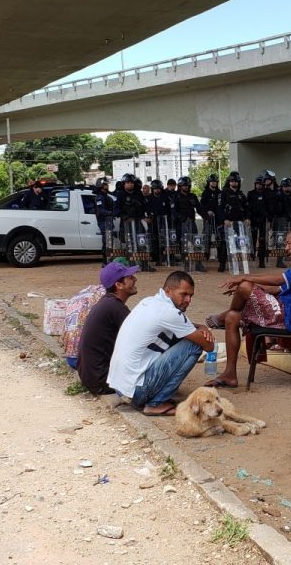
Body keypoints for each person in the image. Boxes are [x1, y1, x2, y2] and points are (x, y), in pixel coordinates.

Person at [204, 227, 291, 388]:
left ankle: (220, 317)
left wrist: (245, 279)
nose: (286, 249)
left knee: (244, 287)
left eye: (289, 243)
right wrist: (249, 290)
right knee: (232, 317)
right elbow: (275, 290)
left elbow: (278, 280)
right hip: (285, 313)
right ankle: (230, 375)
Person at [108, 271, 215, 416]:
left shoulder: (149, 301)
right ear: (168, 291)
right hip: (136, 391)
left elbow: (183, 326)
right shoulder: (169, 313)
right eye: (183, 294)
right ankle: (156, 403)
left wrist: (200, 327)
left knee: (183, 337)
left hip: (122, 388)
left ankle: (154, 396)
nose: (188, 300)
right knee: (193, 345)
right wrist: (202, 330)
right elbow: (209, 346)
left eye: (191, 295)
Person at [77, 261, 139, 396]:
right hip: (102, 381)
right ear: (119, 285)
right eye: (130, 277)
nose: (134, 279)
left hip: (92, 377)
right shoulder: (115, 307)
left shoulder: (108, 303)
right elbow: (141, 333)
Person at [216, 171, 250, 272]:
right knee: (224, 243)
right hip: (227, 223)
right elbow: (219, 208)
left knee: (238, 243)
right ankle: (222, 264)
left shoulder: (241, 194)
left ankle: (237, 263)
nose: (235, 183)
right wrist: (224, 219)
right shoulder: (223, 193)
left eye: (236, 181)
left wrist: (247, 218)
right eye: (232, 181)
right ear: (229, 182)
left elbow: (247, 208)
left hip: (239, 223)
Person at [174, 176, 207, 272]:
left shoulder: (193, 196)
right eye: (184, 186)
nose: (186, 187)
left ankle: (198, 264)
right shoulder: (176, 197)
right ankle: (186, 264)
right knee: (183, 244)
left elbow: (199, 208)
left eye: (187, 185)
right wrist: (180, 218)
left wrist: (205, 216)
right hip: (181, 224)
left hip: (192, 222)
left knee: (196, 243)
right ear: (180, 186)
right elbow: (173, 211)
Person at [273, 177, 291, 268]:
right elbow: (276, 209)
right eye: (285, 186)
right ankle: (279, 260)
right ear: (282, 187)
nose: (287, 188)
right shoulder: (278, 195)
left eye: (289, 186)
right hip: (281, 219)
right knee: (281, 239)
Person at [247, 174, 269, 268]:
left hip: (263, 220)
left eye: (261, 184)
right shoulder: (251, 194)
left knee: (262, 240)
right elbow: (247, 207)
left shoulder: (266, 194)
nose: (259, 185)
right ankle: (252, 256)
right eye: (257, 184)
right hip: (253, 219)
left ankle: (261, 261)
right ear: (255, 184)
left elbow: (269, 207)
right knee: (253, 238)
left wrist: (269, 218)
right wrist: (248, 217)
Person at [93, 177, 114, 267]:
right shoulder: (99, 197)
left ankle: (109, 260)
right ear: (101, 186)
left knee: (109, 241)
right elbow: (101, 210)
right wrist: (111, 213)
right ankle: (105, 261)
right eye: (105, 184)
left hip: (108, 221)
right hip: (103, 221)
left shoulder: (106, 196)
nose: (107, 186)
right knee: (106, 241)